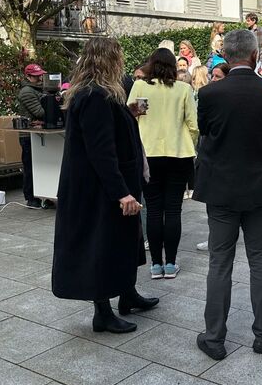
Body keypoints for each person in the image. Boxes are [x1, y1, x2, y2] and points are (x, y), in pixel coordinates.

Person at [52, 38, 158, 334]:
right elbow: (101, 150)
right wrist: (121, 192)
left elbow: (107, 132)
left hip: (106, 184)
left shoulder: (100, 92)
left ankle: (127, 293)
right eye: (118, 57)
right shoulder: (94, 95)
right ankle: (103, 312)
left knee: (122, 241)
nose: (122, 62)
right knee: (101, 245)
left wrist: (128, 113)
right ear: (109, 60)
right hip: (99, 190)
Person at [194, 29, 262, 361]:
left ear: (226, 57)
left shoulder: (210, 93)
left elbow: (206, 131)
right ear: (254, 55)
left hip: (221, 187)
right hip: (258, 185)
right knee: (261, 261)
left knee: (220, 262)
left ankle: (214, 337)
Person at [128, 48, 198, 279]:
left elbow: (132, 117)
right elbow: (193, 125)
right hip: (179, 153)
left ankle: (156, 264)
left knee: (154, 209)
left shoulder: (140, 87)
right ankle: (171, 263)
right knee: (174, 209)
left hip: (148, 153)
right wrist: (188, 142)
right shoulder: (184, 89)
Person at [18, 64, 47, 208]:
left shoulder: (39, 89)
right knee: (30, 166)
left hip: (39, 134)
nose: (40, 78)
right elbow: (40, 112)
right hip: (28, 135)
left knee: (42, 166)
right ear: (28, 77)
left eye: (40, 75)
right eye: (36, 76)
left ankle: (43, 195)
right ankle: (30, 197)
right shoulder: (26, 92)